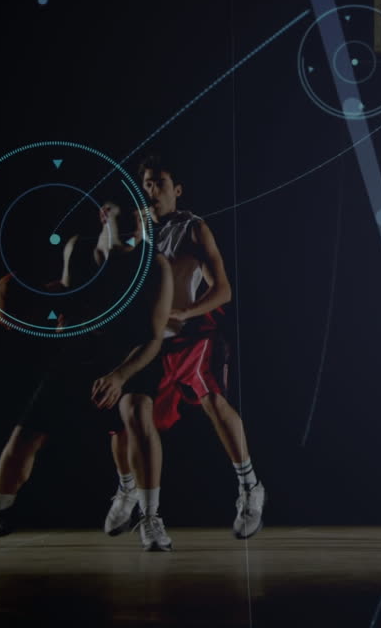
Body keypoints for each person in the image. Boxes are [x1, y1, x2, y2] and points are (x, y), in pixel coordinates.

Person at [0, 219, 176, 551]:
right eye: (126, 217)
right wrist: (6, 289)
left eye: (139, 218)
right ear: (105, 214)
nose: (135, 225)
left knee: (136, 411)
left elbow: (154, 337)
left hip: (130, 356)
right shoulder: (78, 247)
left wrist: (119, 376)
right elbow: (67, 292)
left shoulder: (154, 264)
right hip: (81, 353)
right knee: (23, 437)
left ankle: (149, 517)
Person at [103, 155, 265, 540]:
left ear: (177, 189)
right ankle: (127, 490)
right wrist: (108, 228)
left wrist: (187, 311)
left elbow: (223, 288)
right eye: (145, 183)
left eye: (159, 182)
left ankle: (250, 488)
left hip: (191, 338)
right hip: (147, 343)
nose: (151, 190)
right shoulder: (135, 231)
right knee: (125, 422)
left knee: (213, 402)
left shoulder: (193, 228)